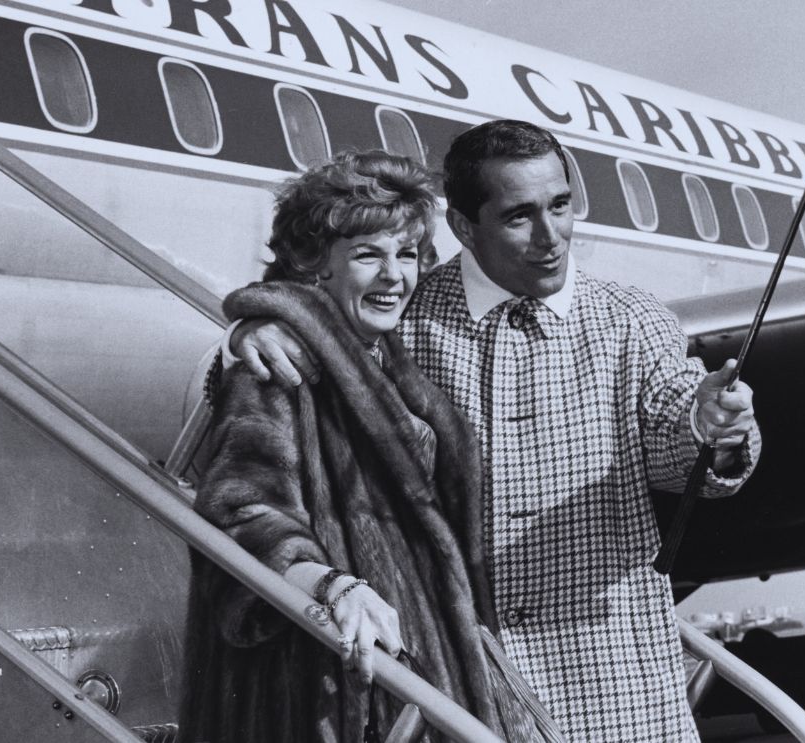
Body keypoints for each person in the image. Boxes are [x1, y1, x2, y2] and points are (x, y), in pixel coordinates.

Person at [226, 119, 761, 742]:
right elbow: (313, 321)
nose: (550, 237)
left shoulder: (633, 319)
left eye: (561, 206)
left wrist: (710, 427)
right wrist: (256, 325)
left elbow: (678, 437)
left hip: (620, 689)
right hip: (467, 690)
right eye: (518, 217)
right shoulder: (404, 315)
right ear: (462, 227)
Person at [178, 150, 560, 743]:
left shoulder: (393, 369)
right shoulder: (280, 367)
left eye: (406, 255)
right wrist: (335, 588)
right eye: (367, 256)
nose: (393, 276)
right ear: (314, 269)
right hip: (323, 690)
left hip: (405, 681)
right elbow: (242, 514)